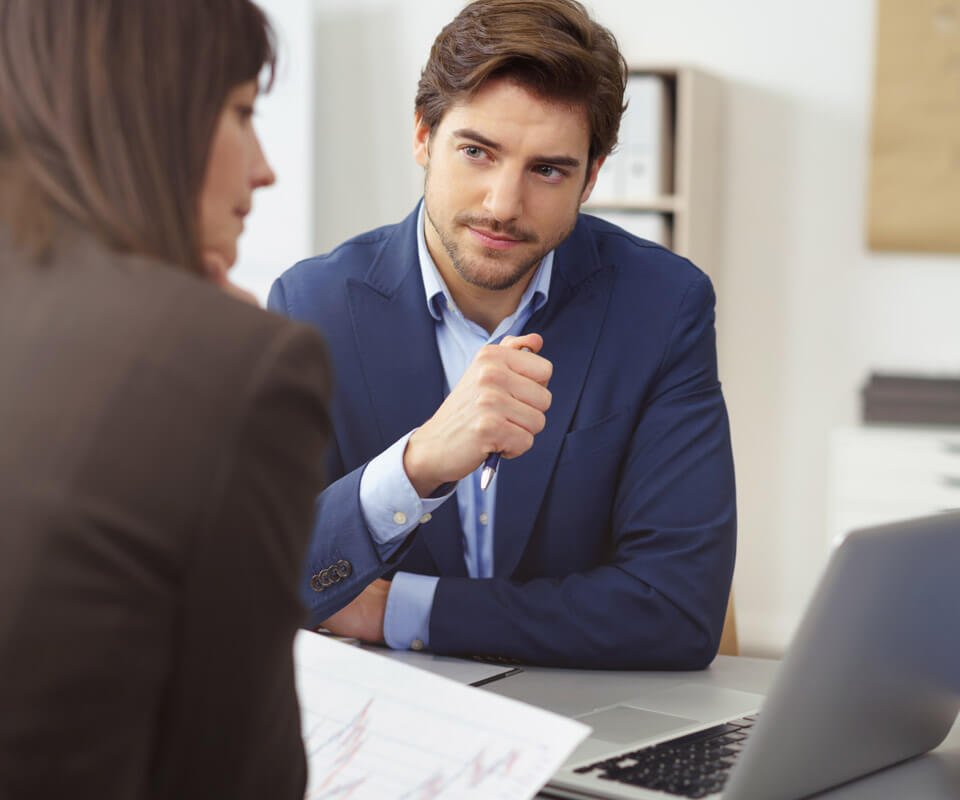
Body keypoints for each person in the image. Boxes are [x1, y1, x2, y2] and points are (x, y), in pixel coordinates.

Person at [270, 0, 736, 669]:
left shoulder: (663, 306)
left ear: (592, 177)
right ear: (423, 137)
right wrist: (418, 463)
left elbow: (678, 611)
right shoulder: (311, 306)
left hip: (586, 720)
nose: (502, 205)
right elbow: (270, 579)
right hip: (392, 725)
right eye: (477, 152)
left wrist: (396, 609)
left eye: (547, 170)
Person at [0, 1, 366, 797]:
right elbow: (240, 778)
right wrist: (225, 356)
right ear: (149, 112)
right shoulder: (237, 363)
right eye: (241, 112)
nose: (263, 167)